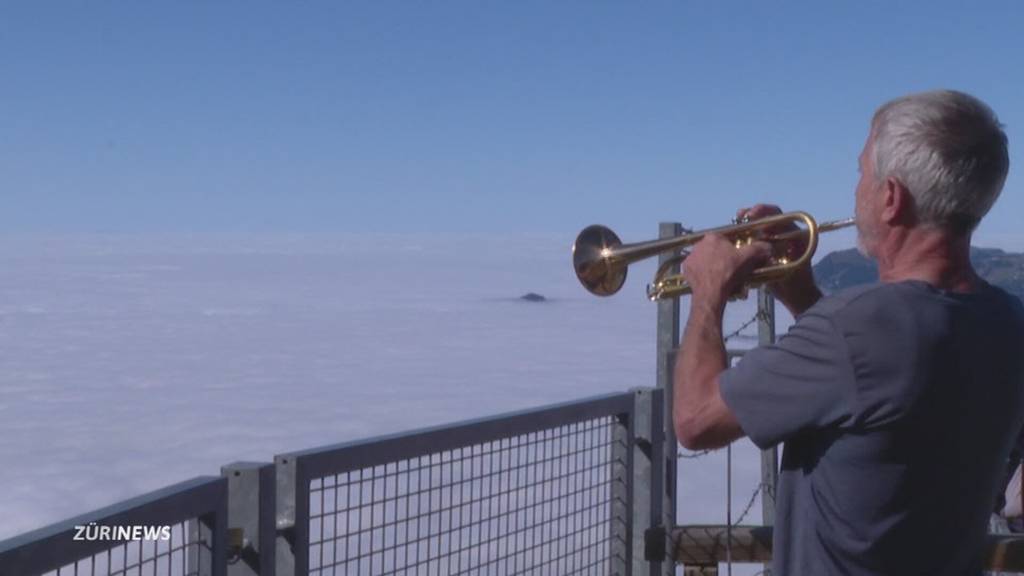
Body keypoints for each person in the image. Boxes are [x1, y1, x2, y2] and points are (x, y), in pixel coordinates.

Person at [673, 90, 1023, 575]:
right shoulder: (1008, 320)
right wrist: (801, 293)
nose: (857, 190)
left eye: (862, 174)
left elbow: (694, 421)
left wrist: (708, 294)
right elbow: (874, 383)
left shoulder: (853, 329)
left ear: (891, 197)